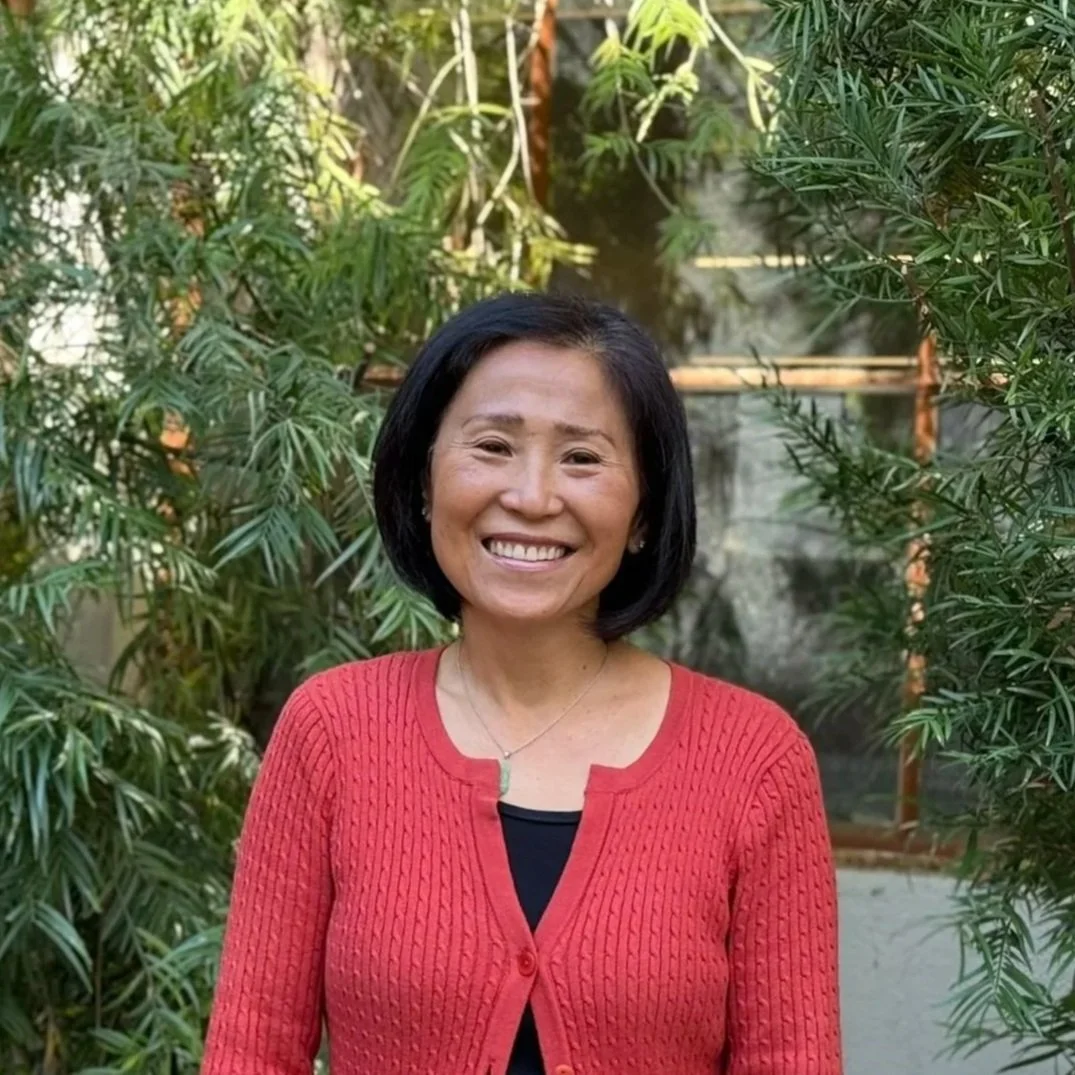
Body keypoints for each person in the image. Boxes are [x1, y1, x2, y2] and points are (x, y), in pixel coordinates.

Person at [201, 291, 842, 1075]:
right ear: (424, 479)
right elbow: (251, 1051)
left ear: (643, 511)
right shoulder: (332, 731)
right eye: (493, 446)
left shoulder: (752, 760)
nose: (532, 497)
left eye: (582, 457)